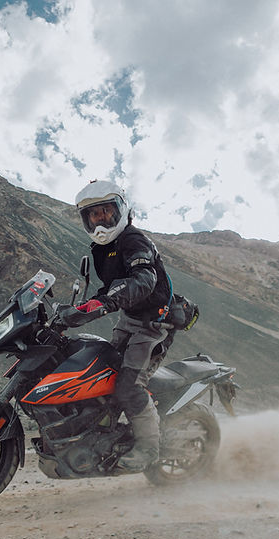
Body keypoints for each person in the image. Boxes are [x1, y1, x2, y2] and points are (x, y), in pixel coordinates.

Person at [58, 180, 175, 471]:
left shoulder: (134, 241)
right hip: (130, 320)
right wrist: (77, 310)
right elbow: (110, 289)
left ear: (120, 210)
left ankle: (149, 448)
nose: (100, 220)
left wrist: (104, 304)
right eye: (93, 215)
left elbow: (143, 280)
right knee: (103, 372)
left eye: (105, 212)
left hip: (154, 324)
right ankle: (107, 436)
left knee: (129, 385)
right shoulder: (101, 250)